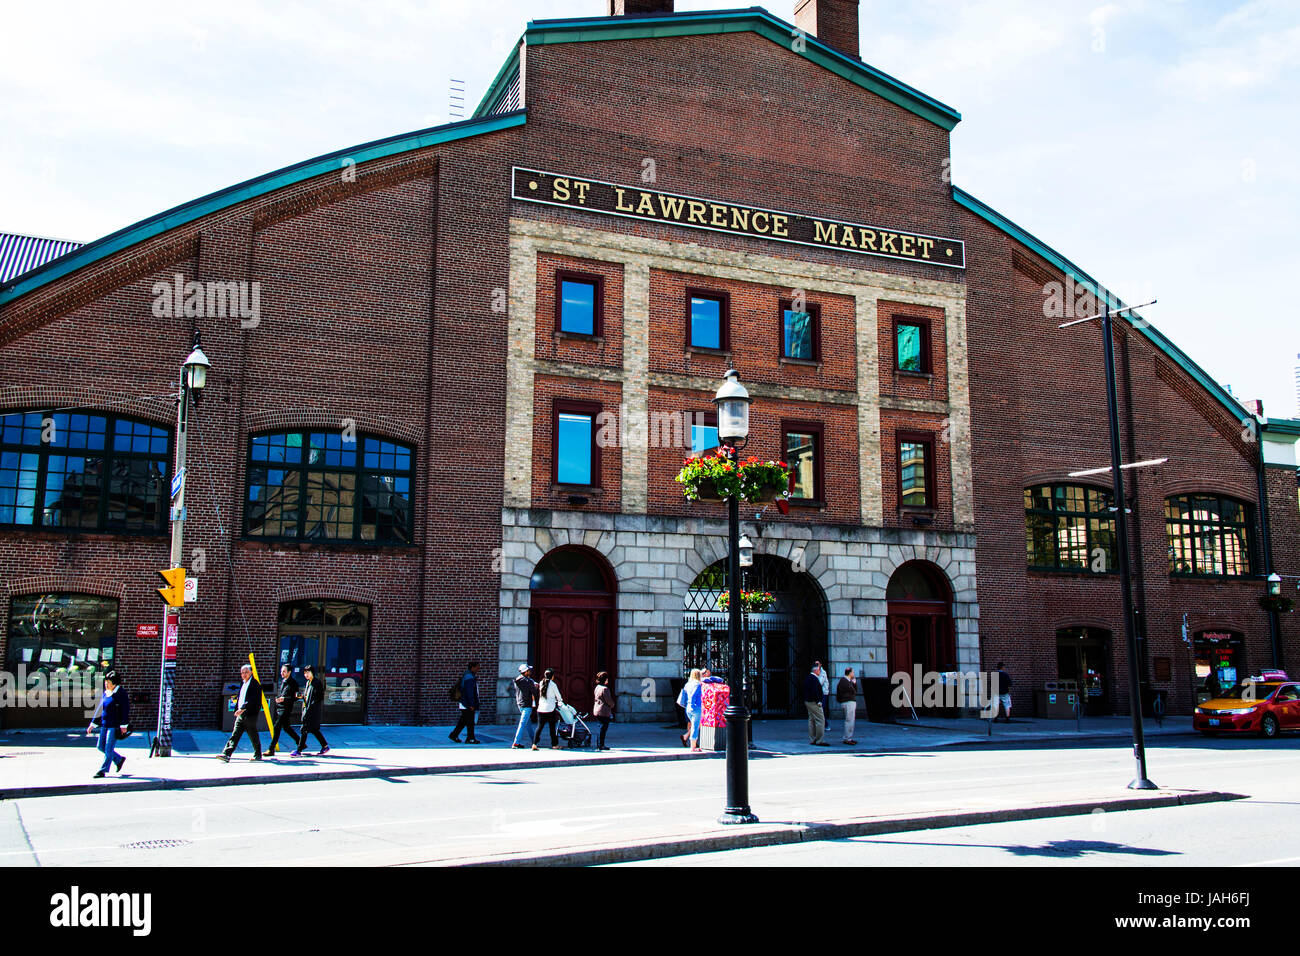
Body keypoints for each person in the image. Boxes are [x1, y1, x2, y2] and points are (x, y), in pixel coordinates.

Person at [88, 669, 129, 778]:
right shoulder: (106, 693)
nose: (106, 684)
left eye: (109, 682)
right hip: (105, 724)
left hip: (114, 726)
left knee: (108, 748)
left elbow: (125, 710)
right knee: (100, 746)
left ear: (115, 684)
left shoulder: (121, 694)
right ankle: (119, 759)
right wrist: (93, 723)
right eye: (106, 682)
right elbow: (100, 708)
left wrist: (124, 725)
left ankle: (103, 770)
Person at [218, 664, 263, 762]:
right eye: (242, 672)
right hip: (241, 714)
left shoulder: (255, 684)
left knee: (253, 734)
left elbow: (252, 700)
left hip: (250, 714)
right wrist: (237, 709)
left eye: (246, 672)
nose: (244, 674)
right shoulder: (243, 683)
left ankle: (258, 754)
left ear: (251, 672)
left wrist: (242, 708)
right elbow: (241, 698)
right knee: (235, 734)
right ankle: (226, 754)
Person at [292, 664, 330, 756]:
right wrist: (302, 697)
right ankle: (325, 746)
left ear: (313, 673)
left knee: (304, 729)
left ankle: (299, 750)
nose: (306, 675)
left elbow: (319, 697)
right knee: (314, 730)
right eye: (305, 673)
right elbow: (307, 697)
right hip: (308, 709)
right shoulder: (308, 683)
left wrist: (310, 708)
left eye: (308, 672)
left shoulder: (317, 683)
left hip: (312, 711)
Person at [266, 663, 301, 757]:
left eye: (284, 671)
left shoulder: (293, 683)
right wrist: (279, 698)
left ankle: (271, 749)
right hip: (280, 707)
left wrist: (284, 699)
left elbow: (296, 697)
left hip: (286, 708)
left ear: (289, 672)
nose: (282, 673)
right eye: (281, 671)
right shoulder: (283, 681)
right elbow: (282, 694)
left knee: (276, 727)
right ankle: (300, 743)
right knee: (287, 728)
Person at [448, 661, 481, 744]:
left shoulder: (467, 675)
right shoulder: (469, 677)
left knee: (463, 721)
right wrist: (472, 704)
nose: (478, 669)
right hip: (467, 704)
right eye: (477, 667)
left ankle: (454, 735)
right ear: (472, 667)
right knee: (470, 722)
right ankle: (470, 738)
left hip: (464, 703)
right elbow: (469, 692)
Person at [532, 668, 563, 750]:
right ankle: (554, 745)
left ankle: (534, 744)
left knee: (539, 727)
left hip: (541, 708)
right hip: (550, 709)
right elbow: (558, 696)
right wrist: (560, 701)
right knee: (552, 728)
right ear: (552, 676)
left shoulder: (541, 683)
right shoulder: (553, 684)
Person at [676, 668, 703, 751]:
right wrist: (693, 705)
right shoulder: (698, 684)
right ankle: (693, 747)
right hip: (696, 707)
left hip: (688, 708)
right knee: (695, 727)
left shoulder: (687, 684)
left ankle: (685, 736)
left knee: (696, 725)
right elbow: (694, 695)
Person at [512, 664, 537, 749]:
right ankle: (516, 742)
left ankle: (534, 740)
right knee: (522, 724)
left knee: (528, 723)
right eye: (529, 670)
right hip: (527, 704)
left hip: (520, 703)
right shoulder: (528, 681)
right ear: (525, 672)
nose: (530, 671)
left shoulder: (518, 679)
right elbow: (534, 691)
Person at [803, 664, 827, 746]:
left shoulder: (808, 678)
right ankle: (819, 740)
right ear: (816, 670)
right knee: (820, 720)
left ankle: (812, 739)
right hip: (814, 702)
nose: (820, 672)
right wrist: (818, 701)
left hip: (808, 701)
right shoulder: (814, 679)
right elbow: (815, 691)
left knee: (811, 720)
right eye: (819, 670)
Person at [593, 671, 615, 750]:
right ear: (605, 679)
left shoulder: (597, 687)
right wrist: (612, 705)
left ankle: (600, 744)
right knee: (603, 729)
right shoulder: (605, 689)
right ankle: (601, 745)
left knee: (600, 728)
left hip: (597, 709)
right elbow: (608, 701)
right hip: (603, 711)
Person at [836, 667, 859, 745]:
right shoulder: (844, 681)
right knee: (849, 721)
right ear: (849, 673)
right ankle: (847, 738)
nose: (853, 674)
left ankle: (849, 737)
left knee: (850, 720)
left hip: (848, 702)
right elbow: (854, 691)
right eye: (853, 672)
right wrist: (854, 683)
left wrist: (854, 683)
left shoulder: (847, 681)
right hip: (848, 702)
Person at [815, 659, 831, 729]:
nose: (816, 665)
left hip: (823, 693)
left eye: (817, 664)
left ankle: (825, 724)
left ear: (820, 664)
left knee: (822, 709)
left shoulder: (823, 672)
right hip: (818, 693)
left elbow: (820, 682)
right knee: (819, 709)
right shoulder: (815, 672)